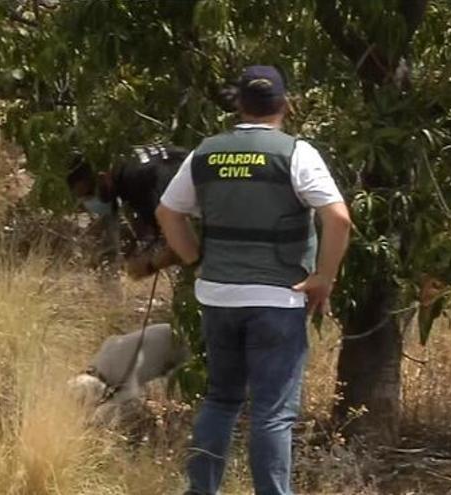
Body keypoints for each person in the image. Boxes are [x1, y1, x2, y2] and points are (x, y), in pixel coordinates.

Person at [156, 65, 351, 495]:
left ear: (239, 104)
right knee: (272, 413)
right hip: (277, 299)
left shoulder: (206, 152)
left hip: (218, 296)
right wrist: (323, 277)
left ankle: (201, 489)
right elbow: (338, 218)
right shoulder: (295, 153)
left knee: (221, 399)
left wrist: (195, 261)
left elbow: (168, 212)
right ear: (284, 104)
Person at [67, 144, 187, 279]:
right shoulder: (125, 160)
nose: (89, 201)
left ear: (103, 177)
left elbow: (179, 241)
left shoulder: (137, 181)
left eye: (89, 193)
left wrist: (149, 266)